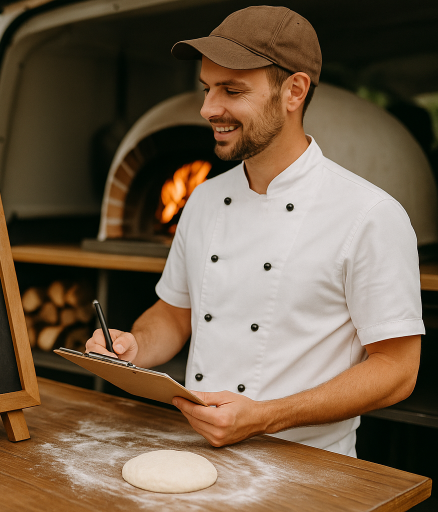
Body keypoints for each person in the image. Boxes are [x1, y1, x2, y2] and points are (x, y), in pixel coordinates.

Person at [86, 6, 422, 457]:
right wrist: (133, 346)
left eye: (232, 90)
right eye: (207, 89)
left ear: (294, 91)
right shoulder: (203, 200)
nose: (208, 109)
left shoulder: (370, 214)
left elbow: (397, 369)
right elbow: (174, 314)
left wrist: (265, 416)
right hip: (200, 450)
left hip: (312, 469)